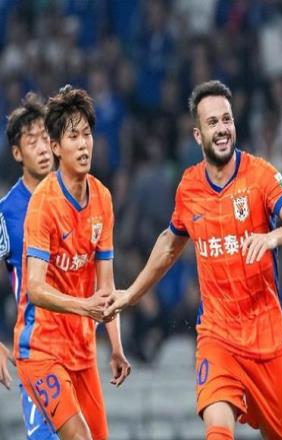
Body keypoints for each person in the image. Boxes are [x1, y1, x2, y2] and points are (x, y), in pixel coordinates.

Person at [105, 80, 282, 440]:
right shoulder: (189, 187)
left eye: (226, 120)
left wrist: (272, 237)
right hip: (217, 337)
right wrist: (132, 294)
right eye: (212, 122)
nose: (222, 129)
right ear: (197, 134)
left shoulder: (260, 175)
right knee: (217, 430)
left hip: (267, 340)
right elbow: (169, 244)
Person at [13, 85, 131, 440]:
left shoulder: (103, 198)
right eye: (73, 137)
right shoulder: (43, 204)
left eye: (87, 134)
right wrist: (85, 306)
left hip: (83, 350)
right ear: (55, 147)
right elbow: (35, 289)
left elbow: (106, 286)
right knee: (79, 436)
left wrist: (116, 347)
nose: (83, 145)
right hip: (41, 350)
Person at [0, 92, 58, 439]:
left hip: (77, 346)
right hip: (35, 346)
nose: (42, 148)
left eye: (45, 138)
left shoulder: (79, 197)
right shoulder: (5, 214)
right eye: (31, 141)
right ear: (17, 153)